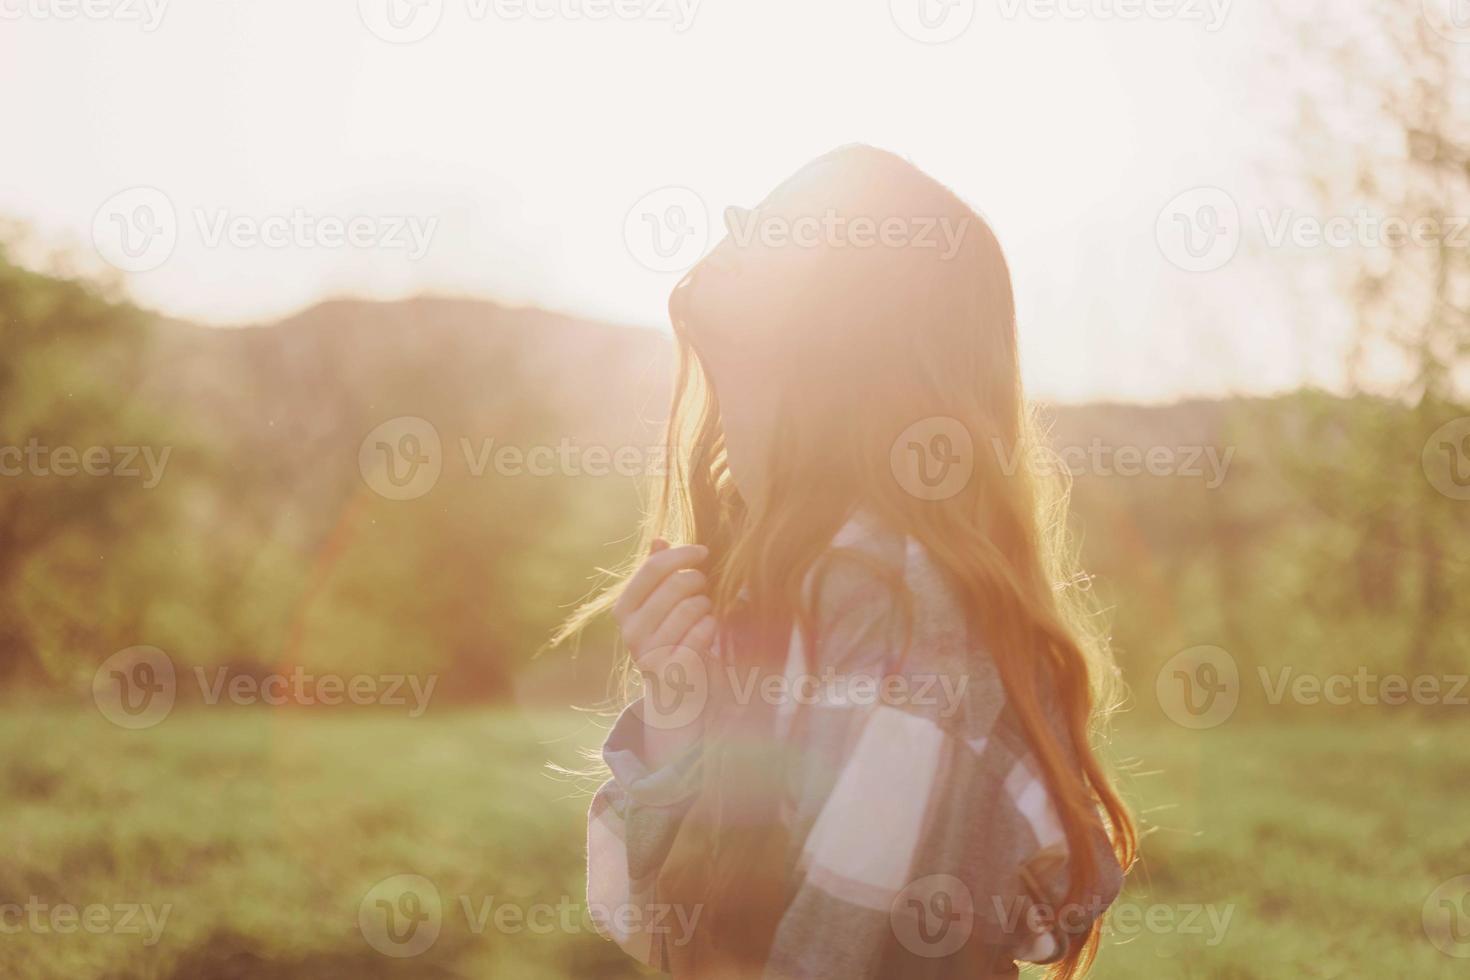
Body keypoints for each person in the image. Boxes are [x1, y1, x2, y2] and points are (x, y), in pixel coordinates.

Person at [558, 144, 1135, 979]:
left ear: (859, 313)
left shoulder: (895, 606)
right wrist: (677, 706)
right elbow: (670, 924)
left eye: (784, 222)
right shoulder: (781, 570)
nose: (733, 221)